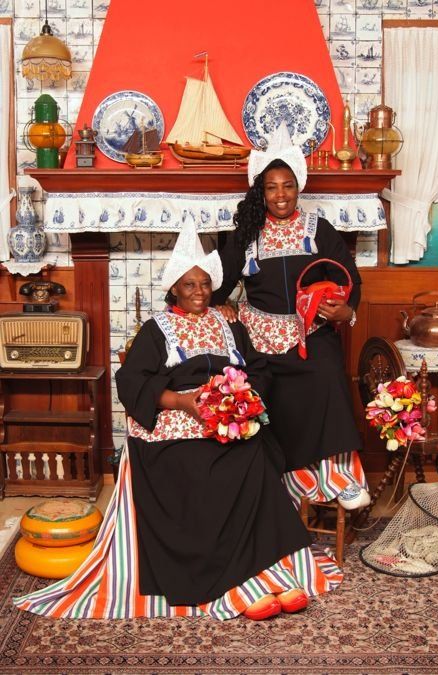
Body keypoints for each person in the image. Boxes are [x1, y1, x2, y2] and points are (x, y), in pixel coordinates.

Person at [14, 217, 342, 622]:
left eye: (205, 284)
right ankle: (232, 585)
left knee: (255, 458)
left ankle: (267, 572)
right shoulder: (158, 329)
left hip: (227, 411)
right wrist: (182, 402)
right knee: (200, 469)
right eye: (189, 285)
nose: (199, 292)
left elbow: (258, 368)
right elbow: (132, 379)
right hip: (174, 414)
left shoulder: (228, 324)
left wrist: (242, 395)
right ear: (174, 289)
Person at [212, 123, 370, 511]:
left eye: (287, 186)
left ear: (298, 187)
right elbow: (216, 280)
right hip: (257, 334)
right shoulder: (247, 234)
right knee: (250, 391)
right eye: (271, 187)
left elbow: (350, 279)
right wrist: (221, 302)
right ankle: (272, 489)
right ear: (260, 191)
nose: (280, 195)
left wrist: (347, 310)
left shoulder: (319, 230)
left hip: (308, 333)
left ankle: (341, 479)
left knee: (328, 374)